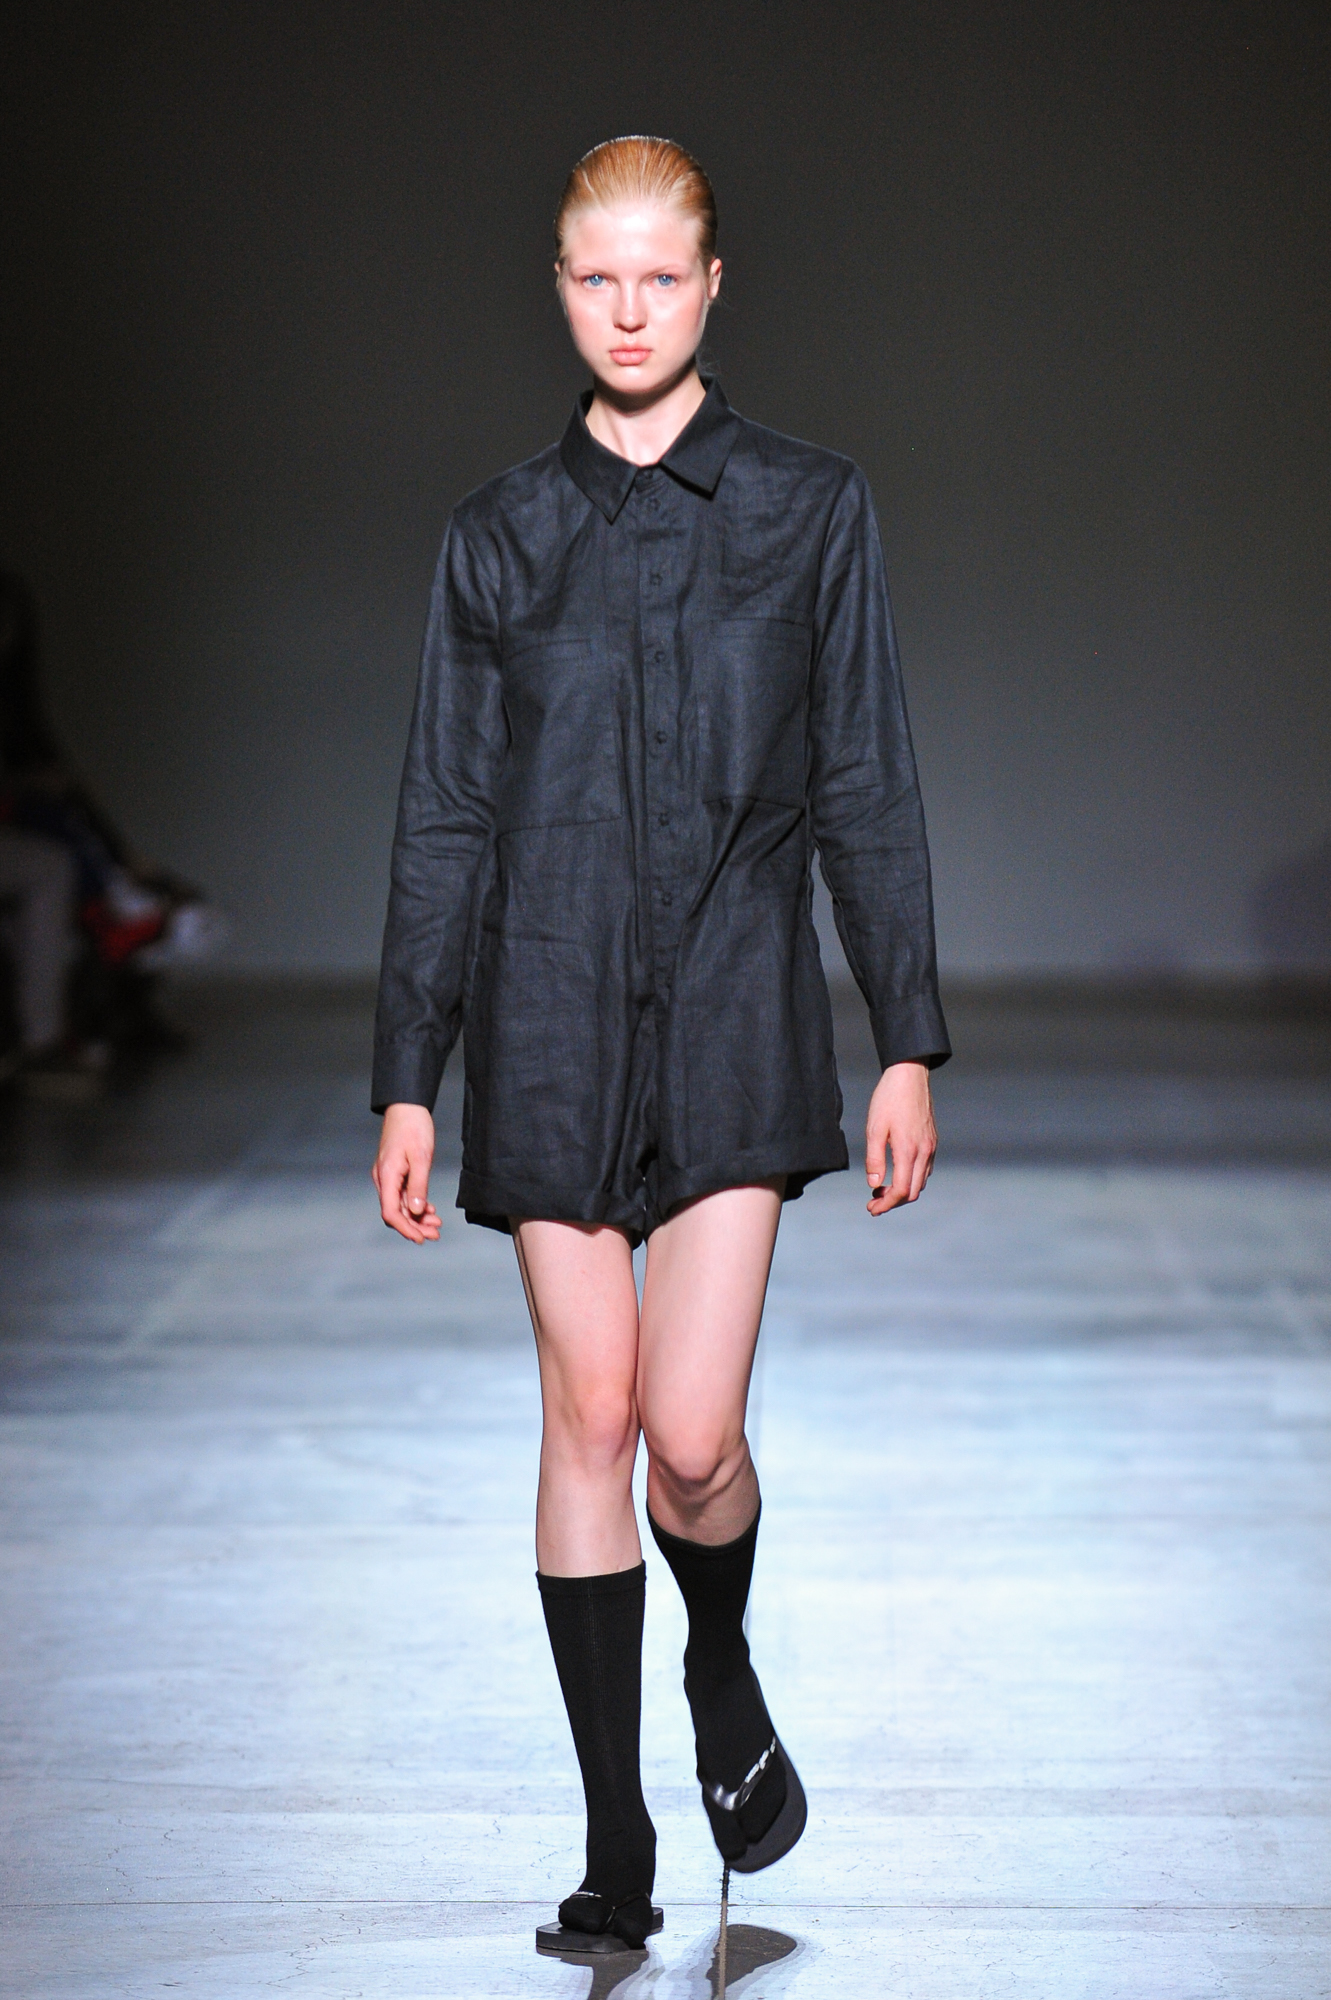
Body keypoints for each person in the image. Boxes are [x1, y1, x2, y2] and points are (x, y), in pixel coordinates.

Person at [371, 136, 950, 1955]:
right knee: (592, 1414)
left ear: (711, 286)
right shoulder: (498, 535)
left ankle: (719, 1666)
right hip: (543, 1012)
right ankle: (615, 1833)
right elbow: (446, 809)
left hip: (732, 1014)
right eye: (596, 279)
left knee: (693, 1439)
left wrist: (905, 1039)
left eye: (660, 278)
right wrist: (408, 1070)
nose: (628, 312)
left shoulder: (809, 508)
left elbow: (865, 779)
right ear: (561, 288)